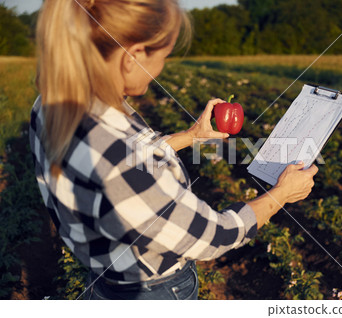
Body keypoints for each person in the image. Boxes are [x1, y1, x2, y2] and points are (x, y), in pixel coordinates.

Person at [29, 0, 318, 300]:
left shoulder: (52, 105)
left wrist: (192, 135)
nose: (161, 69)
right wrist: (281, 194)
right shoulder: (113, 151)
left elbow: (129, 160)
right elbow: (214, 236)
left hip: (107, 278)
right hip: (152, 292)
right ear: (134, 55)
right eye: (164, 56)